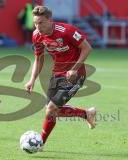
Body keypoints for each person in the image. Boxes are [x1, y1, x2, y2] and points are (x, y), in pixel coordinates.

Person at [24, 6, 97, 150]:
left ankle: (41, 144)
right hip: (56, 74)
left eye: (41, 23)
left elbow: (87, 48)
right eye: (35, 23)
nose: (38, 27)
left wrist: (74, 69)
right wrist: (32, 79)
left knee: (51, 109)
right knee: (50, 112)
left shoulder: (67, 31)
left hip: (75, 76)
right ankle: (86, 113)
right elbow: (38, 59)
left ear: (49, 21)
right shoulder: (36, 35)